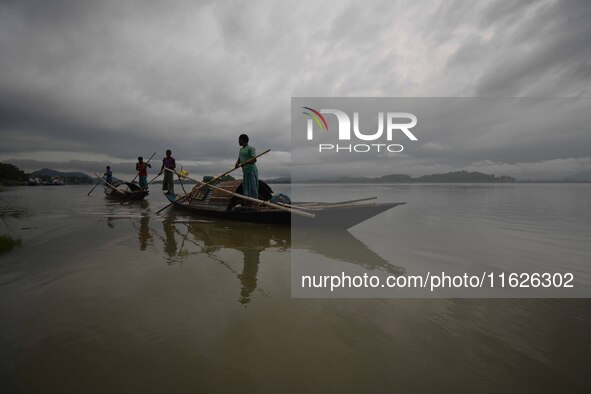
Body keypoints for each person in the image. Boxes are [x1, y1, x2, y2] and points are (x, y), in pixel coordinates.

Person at [234, 134, 258, 201]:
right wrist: (237, 164)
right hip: (245, 171)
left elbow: (254, 159)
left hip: (251, 171)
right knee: (246, 188)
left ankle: (255, 202)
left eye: (239, 140)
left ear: (243, 140)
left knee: (253, 187)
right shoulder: (241, 150)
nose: (238, 142)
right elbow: (239, 158)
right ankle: (248, 201)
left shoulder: (250, 148)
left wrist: (245, 163)